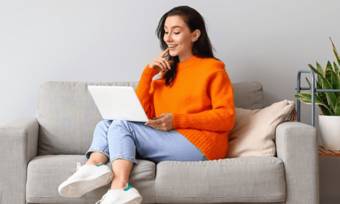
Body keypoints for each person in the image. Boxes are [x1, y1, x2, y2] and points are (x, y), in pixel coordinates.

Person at [58, 5, 235, 204]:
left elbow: (226, 117)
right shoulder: (166, 74)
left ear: (194, 35)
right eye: (166, 32)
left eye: (176, 32)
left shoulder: (213, 69)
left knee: (121, 126)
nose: (168, 38)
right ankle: (92, 166)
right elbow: (142, 114)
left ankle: (120, 186)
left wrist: (176, 121)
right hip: (170, 138)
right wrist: (148, 73)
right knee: (106, 124)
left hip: (202, 145)